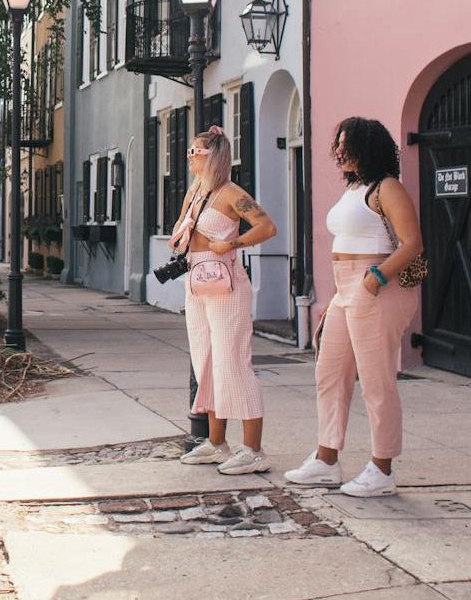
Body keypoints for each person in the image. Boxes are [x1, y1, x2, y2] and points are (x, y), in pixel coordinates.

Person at [284, 117, 425, 498]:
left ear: (369, 148)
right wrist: (337, 295)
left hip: (376, 286)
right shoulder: (354, 189)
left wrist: (374, 278)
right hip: (346, 288)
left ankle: (382, 468)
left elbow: (412, 243)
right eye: (338, 145)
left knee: (376, 381)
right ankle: (326, 459)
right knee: (329, 373)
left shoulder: (387, 188)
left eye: (347, 145)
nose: (339, 152)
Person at [170, 125, 278, 475]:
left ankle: (254, 449)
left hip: (226, 281)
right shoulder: (195, 192)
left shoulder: (232, 194)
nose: (189, 157)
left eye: (195, 152)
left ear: (212, 156)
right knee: (206, 361)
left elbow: (267, 227)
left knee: (232, 361)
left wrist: (232, 244)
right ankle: (217, 443)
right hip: (197, 279)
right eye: (189, 151)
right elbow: (181, 230)